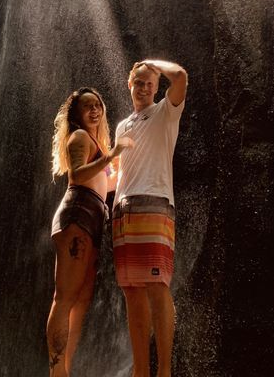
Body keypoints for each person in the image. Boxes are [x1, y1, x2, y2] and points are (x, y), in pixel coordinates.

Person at [47, 87, 133, 377]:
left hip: (94, 217)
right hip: (78, 213)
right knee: (65, 297)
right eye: (87, 107)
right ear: (77, 114)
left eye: (98, 105)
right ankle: (57, 373)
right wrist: (111, 157)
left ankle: (66, 370)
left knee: (81, 300)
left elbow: (105, 185)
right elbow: (77, 175)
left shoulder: (95, 141)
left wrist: (124, 164)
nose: (94, 110)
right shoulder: (80, 137)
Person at [112, 60, 188, 377]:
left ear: (156, 89)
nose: (143, 88)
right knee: (131, 290)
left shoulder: (164, 113)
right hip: (122, 212)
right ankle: (140, 370)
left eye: (149, 84)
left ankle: (165, 370)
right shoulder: (121, 126)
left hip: (155, 205)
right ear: (129, 86)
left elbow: (181, 76)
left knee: (157, 285)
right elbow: (115, 172)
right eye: (138, 83)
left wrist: (151, 64)